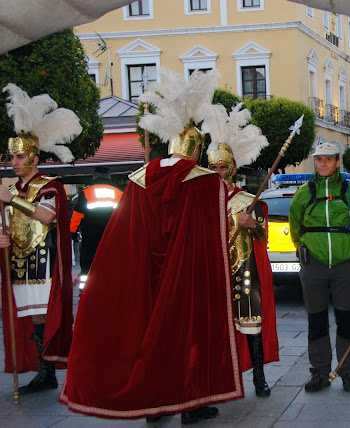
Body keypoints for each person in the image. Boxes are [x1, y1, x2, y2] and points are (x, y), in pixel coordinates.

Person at [59, 68, 243, 423]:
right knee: (188, 338)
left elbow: (124, 235)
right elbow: (215, 236)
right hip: (189, 278)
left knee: (150, 336)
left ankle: (153, 405)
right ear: (197, 146)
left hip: (145, 275)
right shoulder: (207, 184)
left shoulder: (139, 179)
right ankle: (191, 403)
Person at [0, 84, 77, 395]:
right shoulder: (15, 190)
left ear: (32, 157)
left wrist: (11, 199)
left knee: (44, 314)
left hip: (44, 262)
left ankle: (48, 370)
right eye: (11, 156)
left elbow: (47, 217)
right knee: (31, 316)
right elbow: (8, 226)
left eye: (19, 156)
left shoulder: (50, 185)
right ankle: (44, 371)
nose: (14, 161)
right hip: (20, 261)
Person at [289, 142, 350, 393]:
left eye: (328, 159)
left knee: (347, 320)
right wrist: (306, 247)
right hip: (314, 265)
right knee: (317, 320)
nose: (322, 163)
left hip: (344, 264)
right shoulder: (304, 192)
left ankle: (347, 371)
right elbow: (295, 224)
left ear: (337, 162)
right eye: (318, 159)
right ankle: (320, 372)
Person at [208, 138, 278, 398]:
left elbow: (261, 238)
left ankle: (259, 378)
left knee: (251, 326)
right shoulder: (203, 202)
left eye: (222, 168)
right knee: (216, 330)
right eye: (213, 168)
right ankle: (220, 381)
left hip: (245, 270)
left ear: (233, 170)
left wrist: (252, 224)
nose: (218, 173)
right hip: (216, 272)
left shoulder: (249, 201)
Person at [69, 166, 123, 291]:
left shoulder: (87, 192)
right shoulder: (118, 192)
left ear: (95, 176)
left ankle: (86, 291)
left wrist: (72, 231)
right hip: (112, 235)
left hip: (90, 236)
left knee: (88, 265)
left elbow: (78, 214)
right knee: (111, 263)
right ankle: (110, 289)